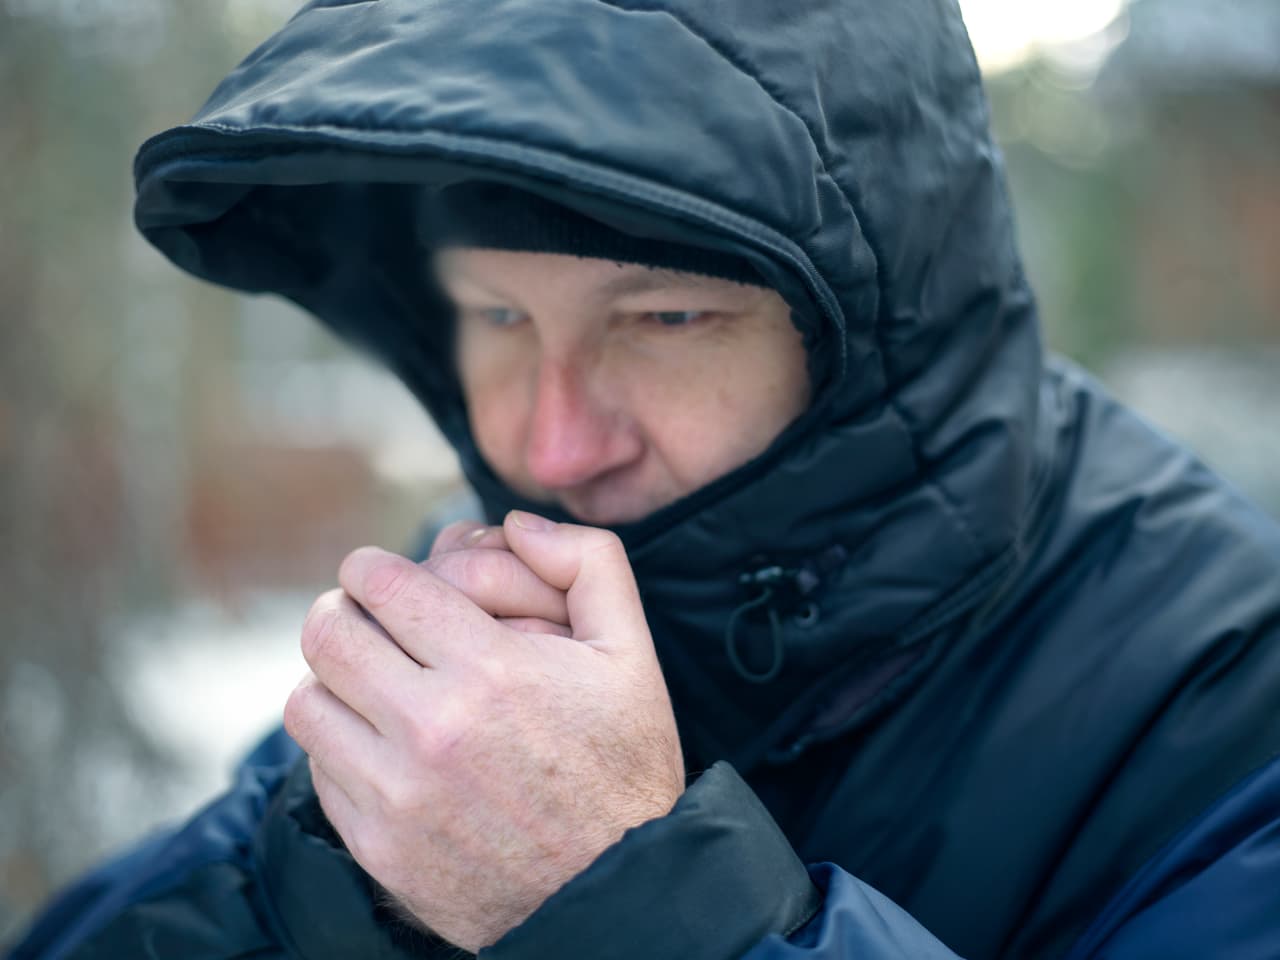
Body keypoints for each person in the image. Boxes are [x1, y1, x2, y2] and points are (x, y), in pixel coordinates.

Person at [10, 0, 1280, 957]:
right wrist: (344, 865)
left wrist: (633, 897)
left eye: (666, 319)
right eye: (498, 317)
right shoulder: (490, 602)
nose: (554, 448)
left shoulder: (1225, 692)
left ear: (874, 325)